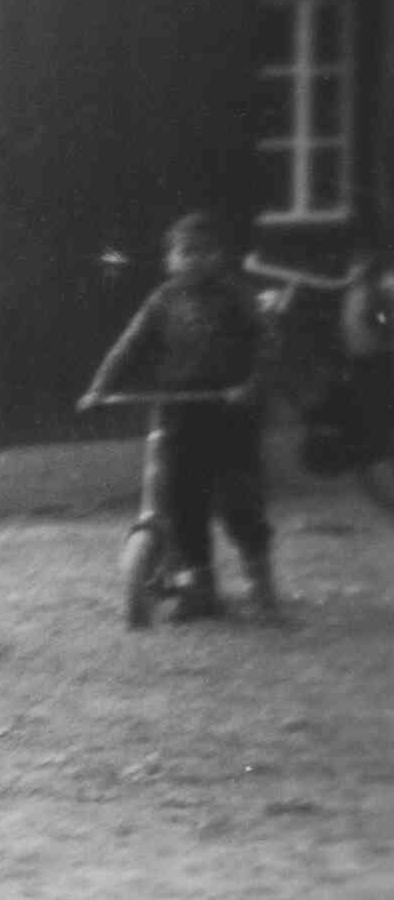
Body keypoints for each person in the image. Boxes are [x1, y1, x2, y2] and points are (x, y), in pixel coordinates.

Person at [80, 208, 281, 620]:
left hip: (229, 410)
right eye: (184, 252)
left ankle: (260, 582)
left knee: (239, 498)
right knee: (181, 499)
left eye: (202, 252)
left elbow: (267, 341)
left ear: (218, 256)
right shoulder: (162, 301)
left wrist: (251, 386)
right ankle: (199, 585)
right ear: (170, 259)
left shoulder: (236, 296)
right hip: (180, 410)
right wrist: (100, 387)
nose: (193, 260)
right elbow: (130, 345)